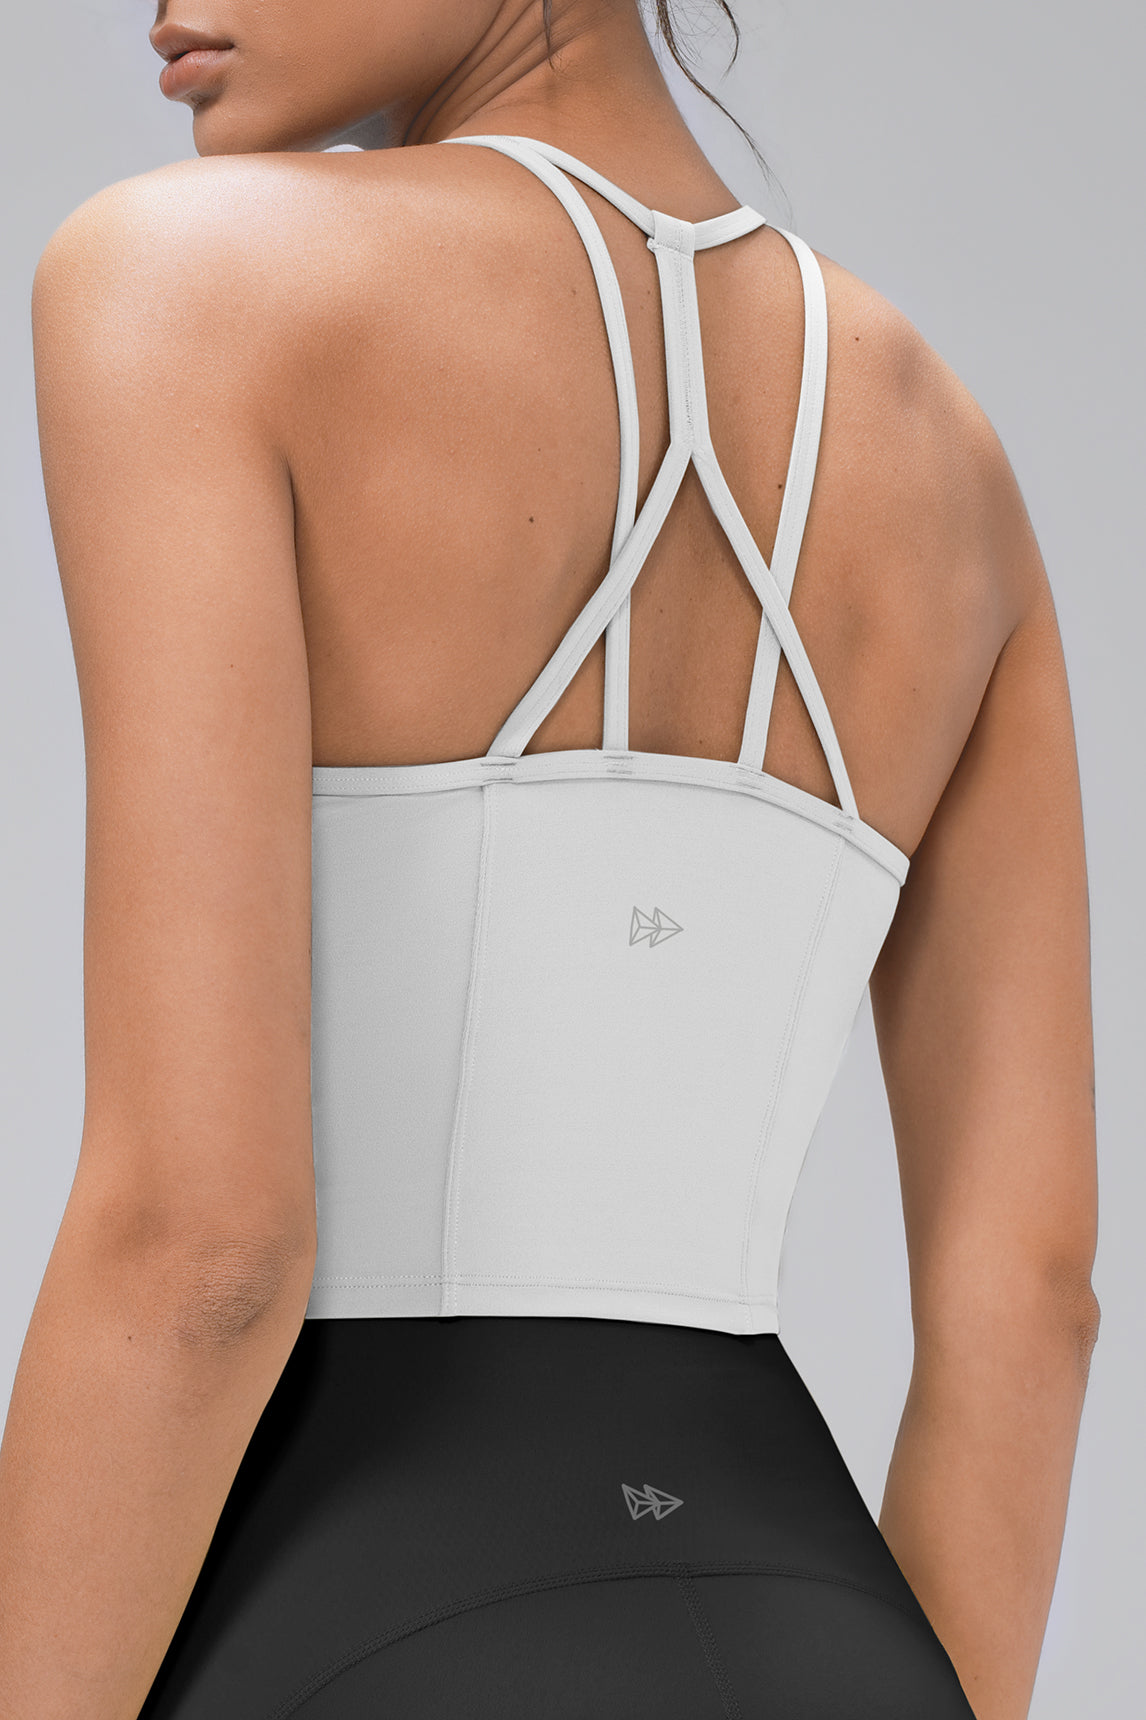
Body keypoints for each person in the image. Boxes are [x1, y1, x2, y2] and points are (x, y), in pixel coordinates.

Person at [0, 1, 1099, 1716]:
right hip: (836, 1640)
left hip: (357, 1637)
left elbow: (200, 1249)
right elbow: (1030, 1304)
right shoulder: (952, 459)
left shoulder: (191, 278)